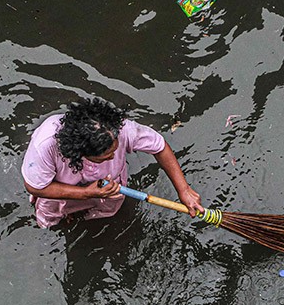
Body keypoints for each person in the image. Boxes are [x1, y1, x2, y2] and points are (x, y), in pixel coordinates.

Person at [21, 97, 205, 228]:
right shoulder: (46, 145)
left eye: (115, 151)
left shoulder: (122, 129)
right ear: (79, 153)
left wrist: (184, 190)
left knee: (105, 218)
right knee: (52, 222)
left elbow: (160, 147)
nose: (113, 156)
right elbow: (35, 187)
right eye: (105, 156)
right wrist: (86, 193)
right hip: (59, 193)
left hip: (110, 188)